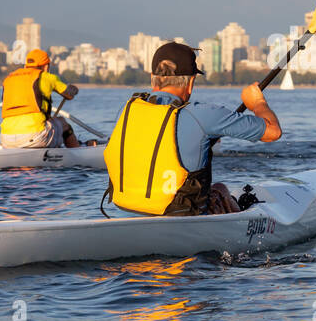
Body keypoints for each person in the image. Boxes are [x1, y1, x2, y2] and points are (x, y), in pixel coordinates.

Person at [103, 42, 281, 215]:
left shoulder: (126, 110)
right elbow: (272, 132)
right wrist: (257, 103)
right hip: (180, 215)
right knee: (220, 189)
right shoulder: (202, 115)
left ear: (152, 78)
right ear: (191, 82)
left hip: (128, 209)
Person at [0, 49, 81, 148]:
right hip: (35, 137)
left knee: (50, 123)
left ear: (26, 65)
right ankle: (77, 151)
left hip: (6, 139)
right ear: (46, 66)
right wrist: (73, 89)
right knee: (63, 123)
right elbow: (69, 95)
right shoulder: (47, 77)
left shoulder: (9, 79)